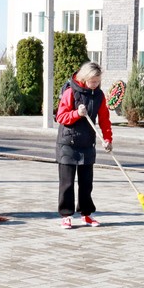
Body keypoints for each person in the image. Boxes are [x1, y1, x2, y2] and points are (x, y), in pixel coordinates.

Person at [55, 61, 113, 229]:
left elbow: (104, 119)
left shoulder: (99, 95)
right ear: (84, 78)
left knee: (86, 183)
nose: (95, 84)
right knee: (67, 183)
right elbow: (60, 117)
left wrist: (107, 139)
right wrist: (76, 113)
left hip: (87, 143)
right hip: (68, 144)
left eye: (97, 81)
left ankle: (86, 215)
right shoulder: (70, 92)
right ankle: (66, 216)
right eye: (92, 81)